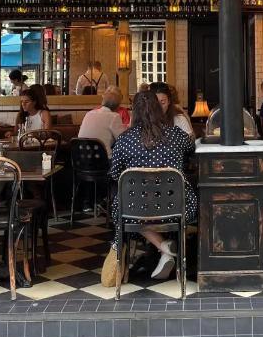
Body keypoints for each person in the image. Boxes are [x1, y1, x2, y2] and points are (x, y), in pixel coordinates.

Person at [109, 91, 196, 280]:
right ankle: (166, 246)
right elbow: (192, 150)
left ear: (135, 113)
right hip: (177, 206)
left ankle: (163, 246)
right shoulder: (176, 135)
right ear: (159, 110)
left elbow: (116, 174)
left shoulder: (124, 141)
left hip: (136, 208)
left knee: (122, 210)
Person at [78, 86, 126, 155]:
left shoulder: (89, 114)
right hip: (104, 161)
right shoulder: (114, 116)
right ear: (118, 106)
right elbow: (123, 140)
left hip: (81, 159)